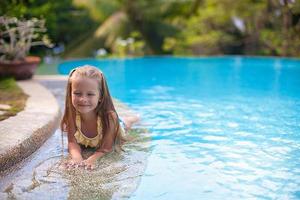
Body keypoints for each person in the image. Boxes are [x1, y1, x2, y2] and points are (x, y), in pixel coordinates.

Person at [61, 65, 139, 170]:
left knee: (127, 123)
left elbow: (106, 148)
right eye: (77, 93)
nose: (83, 99)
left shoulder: (109, 118)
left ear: (100, 96)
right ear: (70, 94)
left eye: (90, 94)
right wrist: (76, 157)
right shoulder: (73, 115)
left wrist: (92, 158)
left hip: (116, 125)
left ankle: (135, 118)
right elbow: (72, 142)